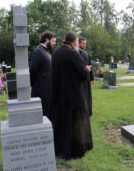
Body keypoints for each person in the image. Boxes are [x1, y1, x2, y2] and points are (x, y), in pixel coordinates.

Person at [50, 31, 93, 160]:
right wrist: (87, 70)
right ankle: (75, 150)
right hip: (73, 95)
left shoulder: (56, 53)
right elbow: (82, 73)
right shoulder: (72, 53)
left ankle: (60, 147)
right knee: (74, 123)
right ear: (74, 42)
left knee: (62, 122)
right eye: (77, 42)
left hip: (59, 93)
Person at [30, 31, 56, 117]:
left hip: (47, 89)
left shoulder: (45, 52)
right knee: (42, 114)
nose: (54, 44)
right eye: (53, 41)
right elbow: (33, 70)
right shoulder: (38, 51)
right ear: (47, 40)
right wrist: (37, 85)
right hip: (41, 90)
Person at [78, 37, 94, 116]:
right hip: (80, 79)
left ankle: (88, 111)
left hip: (87, 79)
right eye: (83, 43)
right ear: (78, 43)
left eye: (85, 43)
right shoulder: (75, 53)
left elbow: (90, 65)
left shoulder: (85, 53)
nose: (84, 45)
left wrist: (92, 78)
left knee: (88, 96)